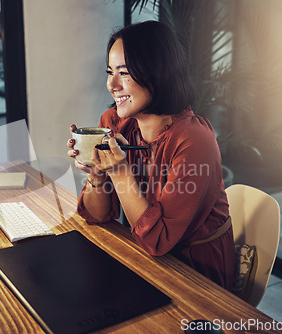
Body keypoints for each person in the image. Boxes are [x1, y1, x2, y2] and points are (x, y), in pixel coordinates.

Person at [67, 20, 235, 291]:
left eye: (124, 73)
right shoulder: (114, 123)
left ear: (157, 73)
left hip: (197, 274)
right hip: (144, 258)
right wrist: (97, 172)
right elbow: (97, 215)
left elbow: (157, 241)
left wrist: (120, 171)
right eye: (110, 72)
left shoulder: (194, 140)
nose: (112, 84)